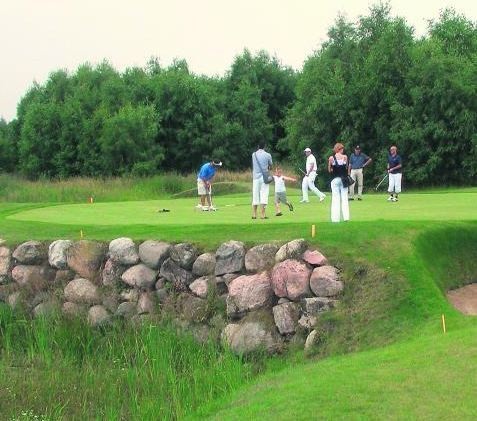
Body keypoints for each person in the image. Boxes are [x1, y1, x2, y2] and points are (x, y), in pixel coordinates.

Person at [328, 142, 350, 223]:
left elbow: (329, 170)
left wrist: (333, 168)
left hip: (335, 179)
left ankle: (335, 219)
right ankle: (346, 217)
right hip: (343, 179)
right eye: (342, 149)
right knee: (344, 198)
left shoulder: (331, 158)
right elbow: (346, 167)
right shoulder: (345, 157)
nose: (343, 150)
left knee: (335, 199)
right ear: (339, 149)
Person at [252, 143, 273, 219]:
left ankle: (254, 214)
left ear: (258, 146)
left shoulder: (253, 154)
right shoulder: (268, 155)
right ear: (265, 147)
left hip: (255, 177)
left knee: (255, 195)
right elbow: (271, 166)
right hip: (264, 177)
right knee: (264, 195)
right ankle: (262, 214)